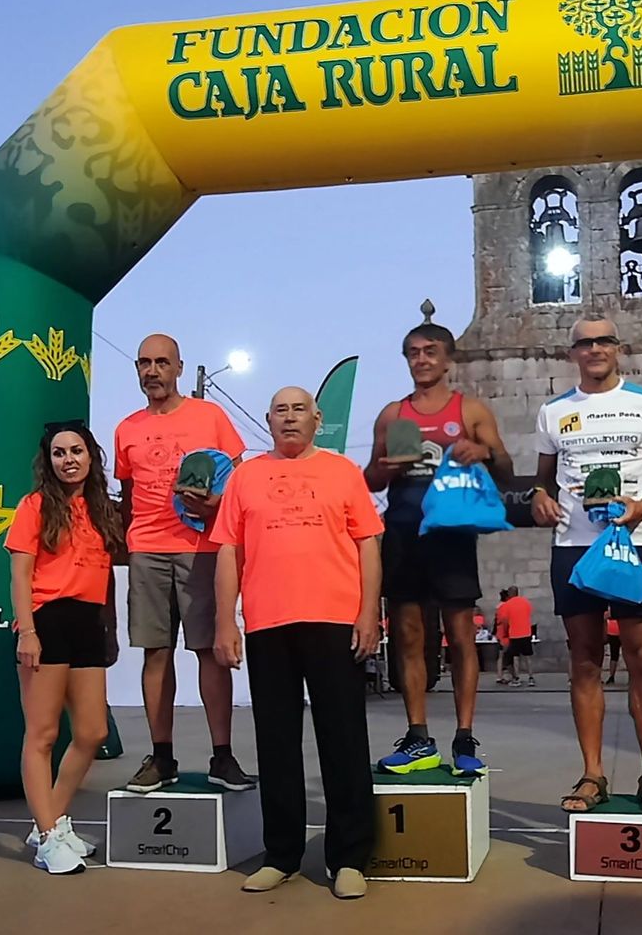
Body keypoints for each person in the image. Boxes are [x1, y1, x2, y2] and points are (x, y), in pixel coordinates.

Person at [212, 387, 383, 900]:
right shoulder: (245, 477)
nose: (289, 418)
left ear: (317, 418)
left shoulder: (342, 473)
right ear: (268, 420)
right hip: (268, 624)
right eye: (280, 411)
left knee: (344, 740)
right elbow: (228, 552)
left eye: (298, 410)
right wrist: (226, 621)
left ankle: (349, 857)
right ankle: (281, 855)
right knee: (277, 743)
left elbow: (368, 544)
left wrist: (368, 612)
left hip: (334, 620)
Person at [532, 315, 642, 814]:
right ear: (572, 353)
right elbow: (542, 482)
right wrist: (538, 499)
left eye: (603, 341)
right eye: (584, 342)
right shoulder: (554, 412)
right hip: (574, 546)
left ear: (617, 348)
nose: (594, 349)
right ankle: (592, 773)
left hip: (633, 541)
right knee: (585, 661)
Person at [365, 322, 511, 777]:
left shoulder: (469, 410)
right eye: (413, 352)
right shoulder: (392, 415)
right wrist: (387, 467)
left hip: (451, 533)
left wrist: (481, 451)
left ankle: (464, 737)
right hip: (405, 528)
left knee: (460, 636)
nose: (422, 359)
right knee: (409, 636)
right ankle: (417, 736)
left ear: (449, 359)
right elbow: (369, 480)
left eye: (430, 351)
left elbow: (506, 469)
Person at [114, 333, 253, 792]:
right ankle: (161, 758)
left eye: (161, 362)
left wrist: (213, 509)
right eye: (144, 363)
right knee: (156, 652)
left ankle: (223, 757)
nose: (152, 371)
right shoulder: (126, 428)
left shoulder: (210, 416)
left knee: (209, 654)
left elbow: (235, 482)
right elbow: (128, 495)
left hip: (203, 548)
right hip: (147, 549)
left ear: (178, 368)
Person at [8, 419, 127, 875]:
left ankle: (49, 822)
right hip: (47, 620)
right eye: (59, 453)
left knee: (93, 733)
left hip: (87, 622)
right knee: (42, 736)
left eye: (76, 450)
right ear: (49, 460)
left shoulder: (103, 511)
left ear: (91, 455)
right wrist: (28, 631)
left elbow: (107, 576)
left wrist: (109, 629)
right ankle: (49, 836)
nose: (68, 459)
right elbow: (20, 573)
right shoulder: (34, 506)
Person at [495, 586, 536, 686]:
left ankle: (516, 678)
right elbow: (530, 613)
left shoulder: (507, 605)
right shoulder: (526, 602)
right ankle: (531, 678)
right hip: (526, 632)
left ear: (509, 594)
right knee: (528, 656)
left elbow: (504, 620)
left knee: (515, 657)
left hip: (514, 633)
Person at [603, 613, 622, 685]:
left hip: (613, 631)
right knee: (614, 654)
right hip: (615, 631)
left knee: (614, 655)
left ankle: (611, 676)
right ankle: (611, 676)